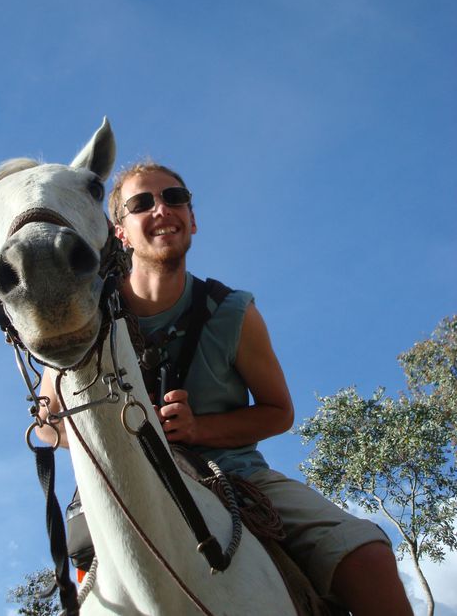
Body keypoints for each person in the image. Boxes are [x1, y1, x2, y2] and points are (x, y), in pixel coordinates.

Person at [39, 161, 413, 615]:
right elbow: (51, 427)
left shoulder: (232, 312)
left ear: (192, 218)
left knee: (368, 555)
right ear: (120, 232)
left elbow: (279, 411)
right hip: (128, 489)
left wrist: (197, 431)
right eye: (142, 203)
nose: (162, 209)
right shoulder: (90, 315)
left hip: (238, 477)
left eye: (174, 198)